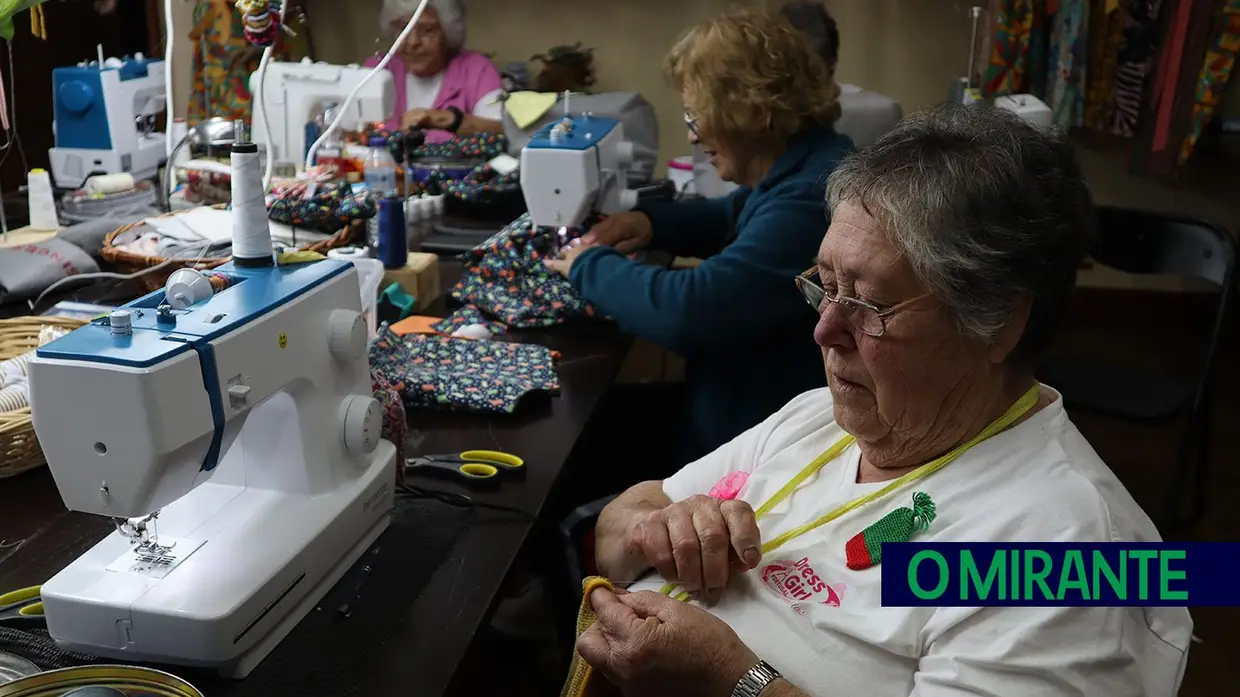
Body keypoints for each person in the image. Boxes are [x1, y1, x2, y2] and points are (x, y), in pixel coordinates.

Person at [579, 104, 1193, 697]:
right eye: (824, 287)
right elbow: (617, 522)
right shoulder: (821, 418)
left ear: (998, 321)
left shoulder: (1067, 552)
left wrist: (731, 679)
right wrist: (651, 532)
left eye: (869, 306)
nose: (824, 331)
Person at [546, 9, 854, 466]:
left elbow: (692, 310)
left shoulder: (812, 197)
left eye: (697, 116)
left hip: (754, 452)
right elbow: (733, 213)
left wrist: (586, 265)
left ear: (756, 112)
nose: (692, 135)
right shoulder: (808, 164)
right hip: (737, 414)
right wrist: (651, 223)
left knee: (570, 451)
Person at [367, 0, 503, 143]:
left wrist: (444, 119)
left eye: (427, 30)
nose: (413, 42)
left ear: (448, 33)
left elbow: (502, 131)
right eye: (403, 29)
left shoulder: (478, 70)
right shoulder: (378, 68)